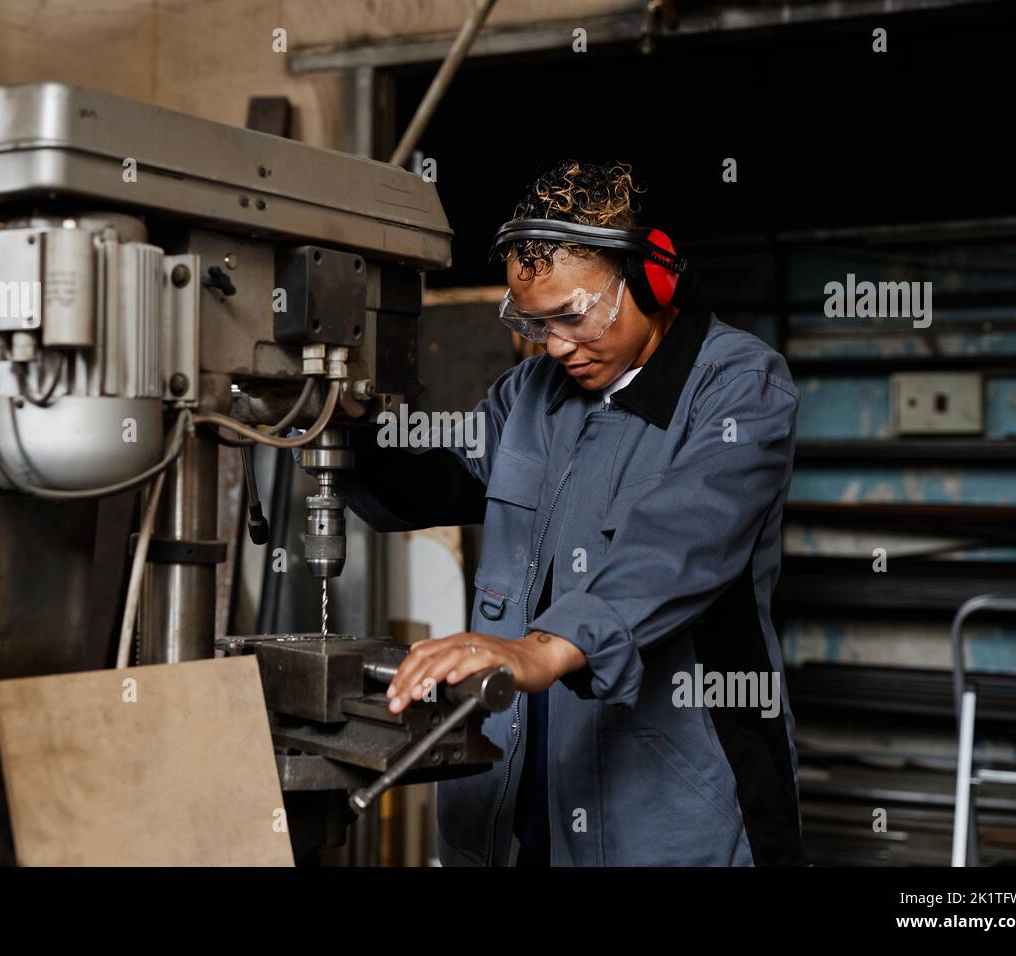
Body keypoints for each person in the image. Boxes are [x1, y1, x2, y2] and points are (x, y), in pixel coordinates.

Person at [335, 160, 804, 866]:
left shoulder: (739, 387)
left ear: (649, 279)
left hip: (678, 804)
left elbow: (680, 543)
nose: (554, 345)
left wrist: (541, 649)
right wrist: (329, 422)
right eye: (534, 322)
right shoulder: (531, 393)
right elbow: (433, 479)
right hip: (523, 803)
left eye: (573, 315)